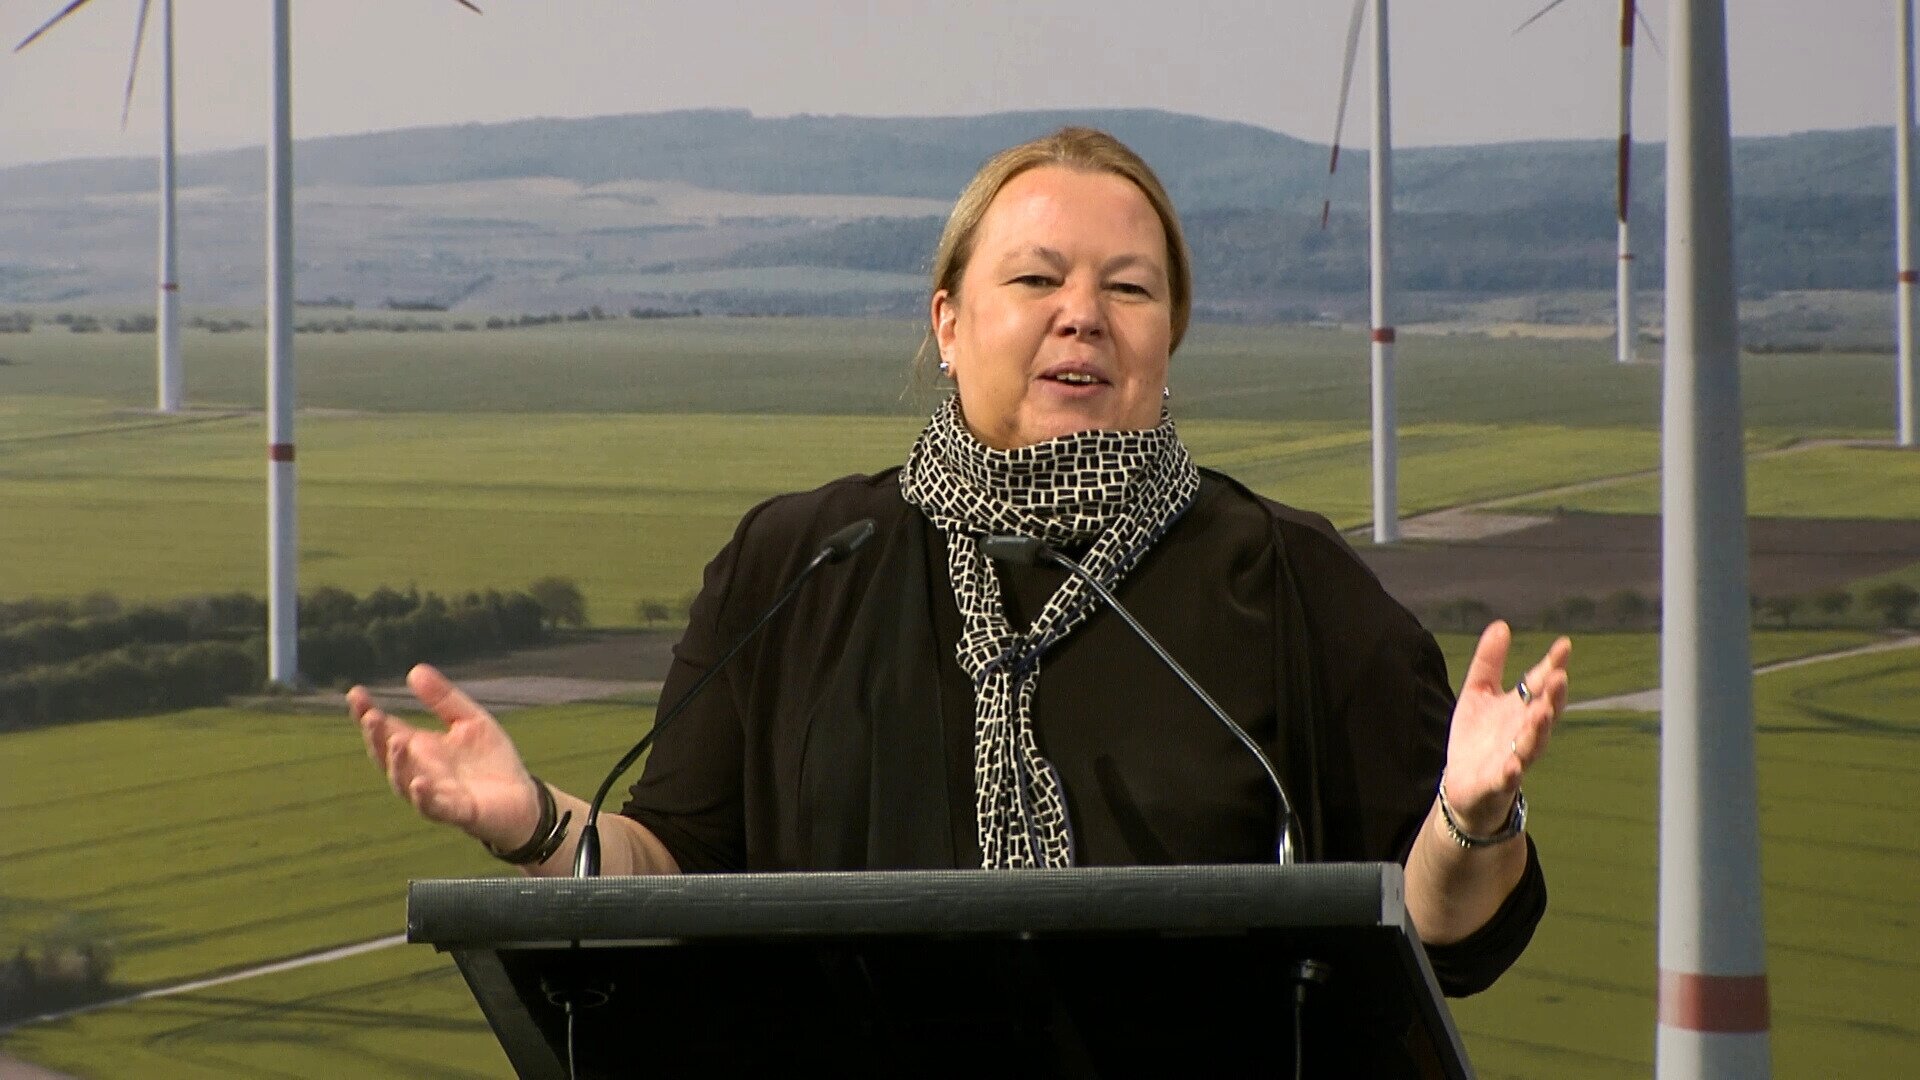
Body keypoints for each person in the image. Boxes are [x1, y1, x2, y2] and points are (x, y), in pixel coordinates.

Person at [351, 127, 1565, 1008]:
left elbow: (1437, 927)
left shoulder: (1291, 582)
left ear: (1170, 336)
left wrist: (1472, 818)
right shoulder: (800, 565)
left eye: (1129, 288)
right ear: (947, 324)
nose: (1082, 314)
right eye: (1036, 279)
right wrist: (537, 828)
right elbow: (673, 878)